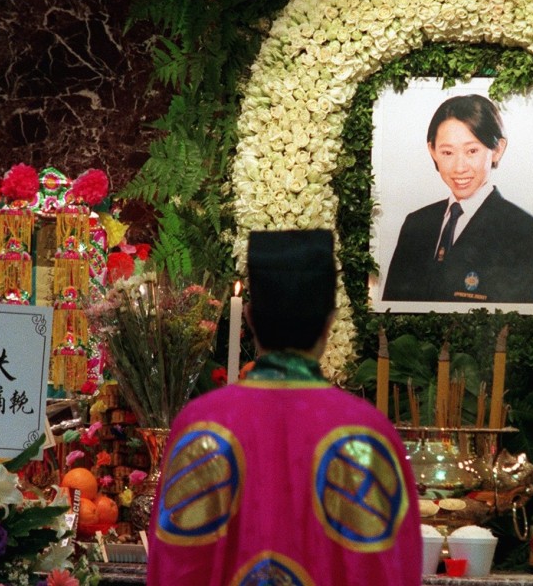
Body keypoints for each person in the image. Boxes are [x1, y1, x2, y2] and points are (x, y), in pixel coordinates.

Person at [148, 229, 421, 585]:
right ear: (330, 320)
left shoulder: (200, 425)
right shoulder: (368, 433)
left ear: (248, 316)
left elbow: (174, 566)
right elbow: (389, 570)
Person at [382, 94, 533, 304]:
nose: (459, 167)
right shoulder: (416, 223)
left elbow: (513, 323)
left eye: (472, 151)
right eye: (447, 152)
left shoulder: (521, 229)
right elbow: (391, 310)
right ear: (432, 151)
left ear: (497, 149)